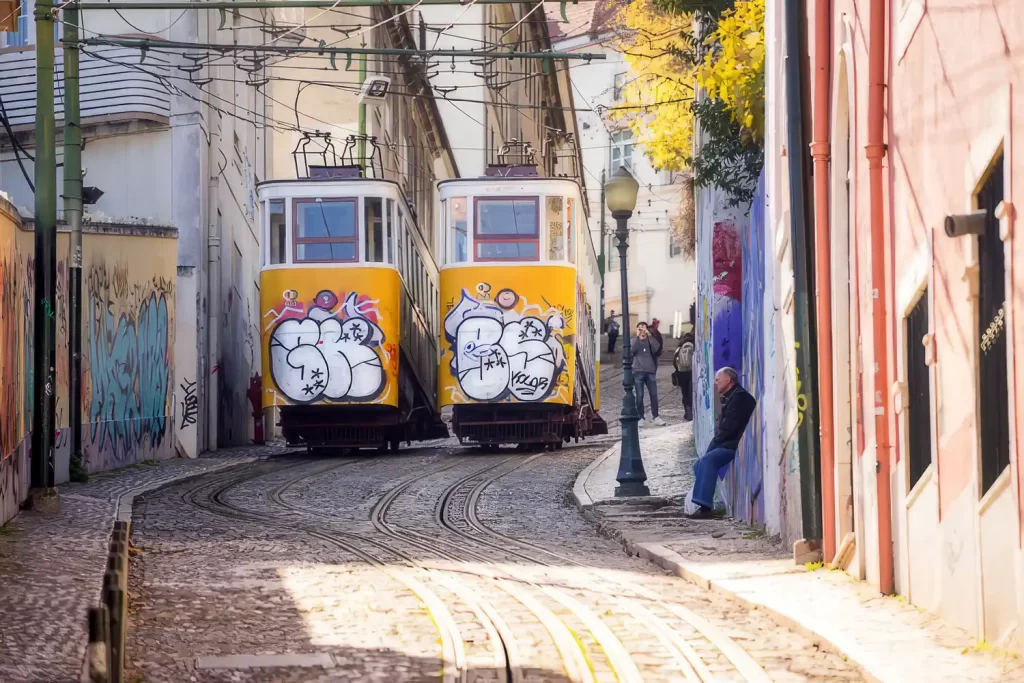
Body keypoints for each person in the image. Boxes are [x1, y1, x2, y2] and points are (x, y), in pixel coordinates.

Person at [688, 367, 756, 519]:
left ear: (728, 380)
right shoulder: (732, 396)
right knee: (699, 464)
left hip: (734, 445)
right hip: (728, 442)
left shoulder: (739, 398)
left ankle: (705, 507)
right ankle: (703, 502)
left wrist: (714, 445)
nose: (715, 383)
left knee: (707, 460)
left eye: (718, 380)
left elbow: (729, 428)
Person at [631, 321, 666, 427]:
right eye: (639, 328)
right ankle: (640, 416)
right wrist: (637, 337)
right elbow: (632, 350)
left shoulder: (650, 340)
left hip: (650, 370)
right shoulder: (634, 340)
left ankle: (656, 416)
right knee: (639, 395)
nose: (642, 330)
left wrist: (649, 335)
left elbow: (656, 348)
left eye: (643, 328)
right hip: (638, 371)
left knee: (654, 394)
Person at [672, 332, 695, 421]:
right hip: (692, 372)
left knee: (685, 394)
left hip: (681, 373)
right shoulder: (694, 346)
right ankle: (694, 413)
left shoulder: (679, 348)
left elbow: (674, 361)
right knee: (692, 393)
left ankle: (688, 414)